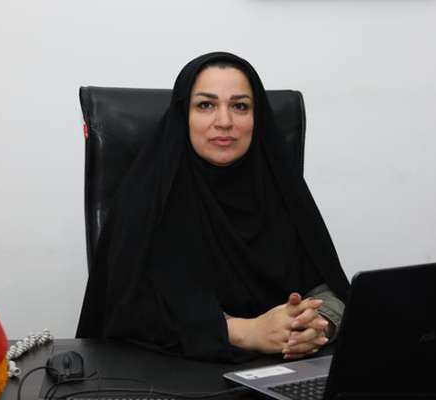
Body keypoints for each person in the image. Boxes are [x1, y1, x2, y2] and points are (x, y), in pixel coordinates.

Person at [76, 52, 349, 362]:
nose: (225, 121)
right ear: (184, 115)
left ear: (257, 118)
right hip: (174, 373)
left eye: (240, 106)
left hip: (281, 370)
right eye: (206, 105)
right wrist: (246, 331)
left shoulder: (281, 192)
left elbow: (329, 285)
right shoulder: (146, 200)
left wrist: (315, 325)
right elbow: (130, 312)